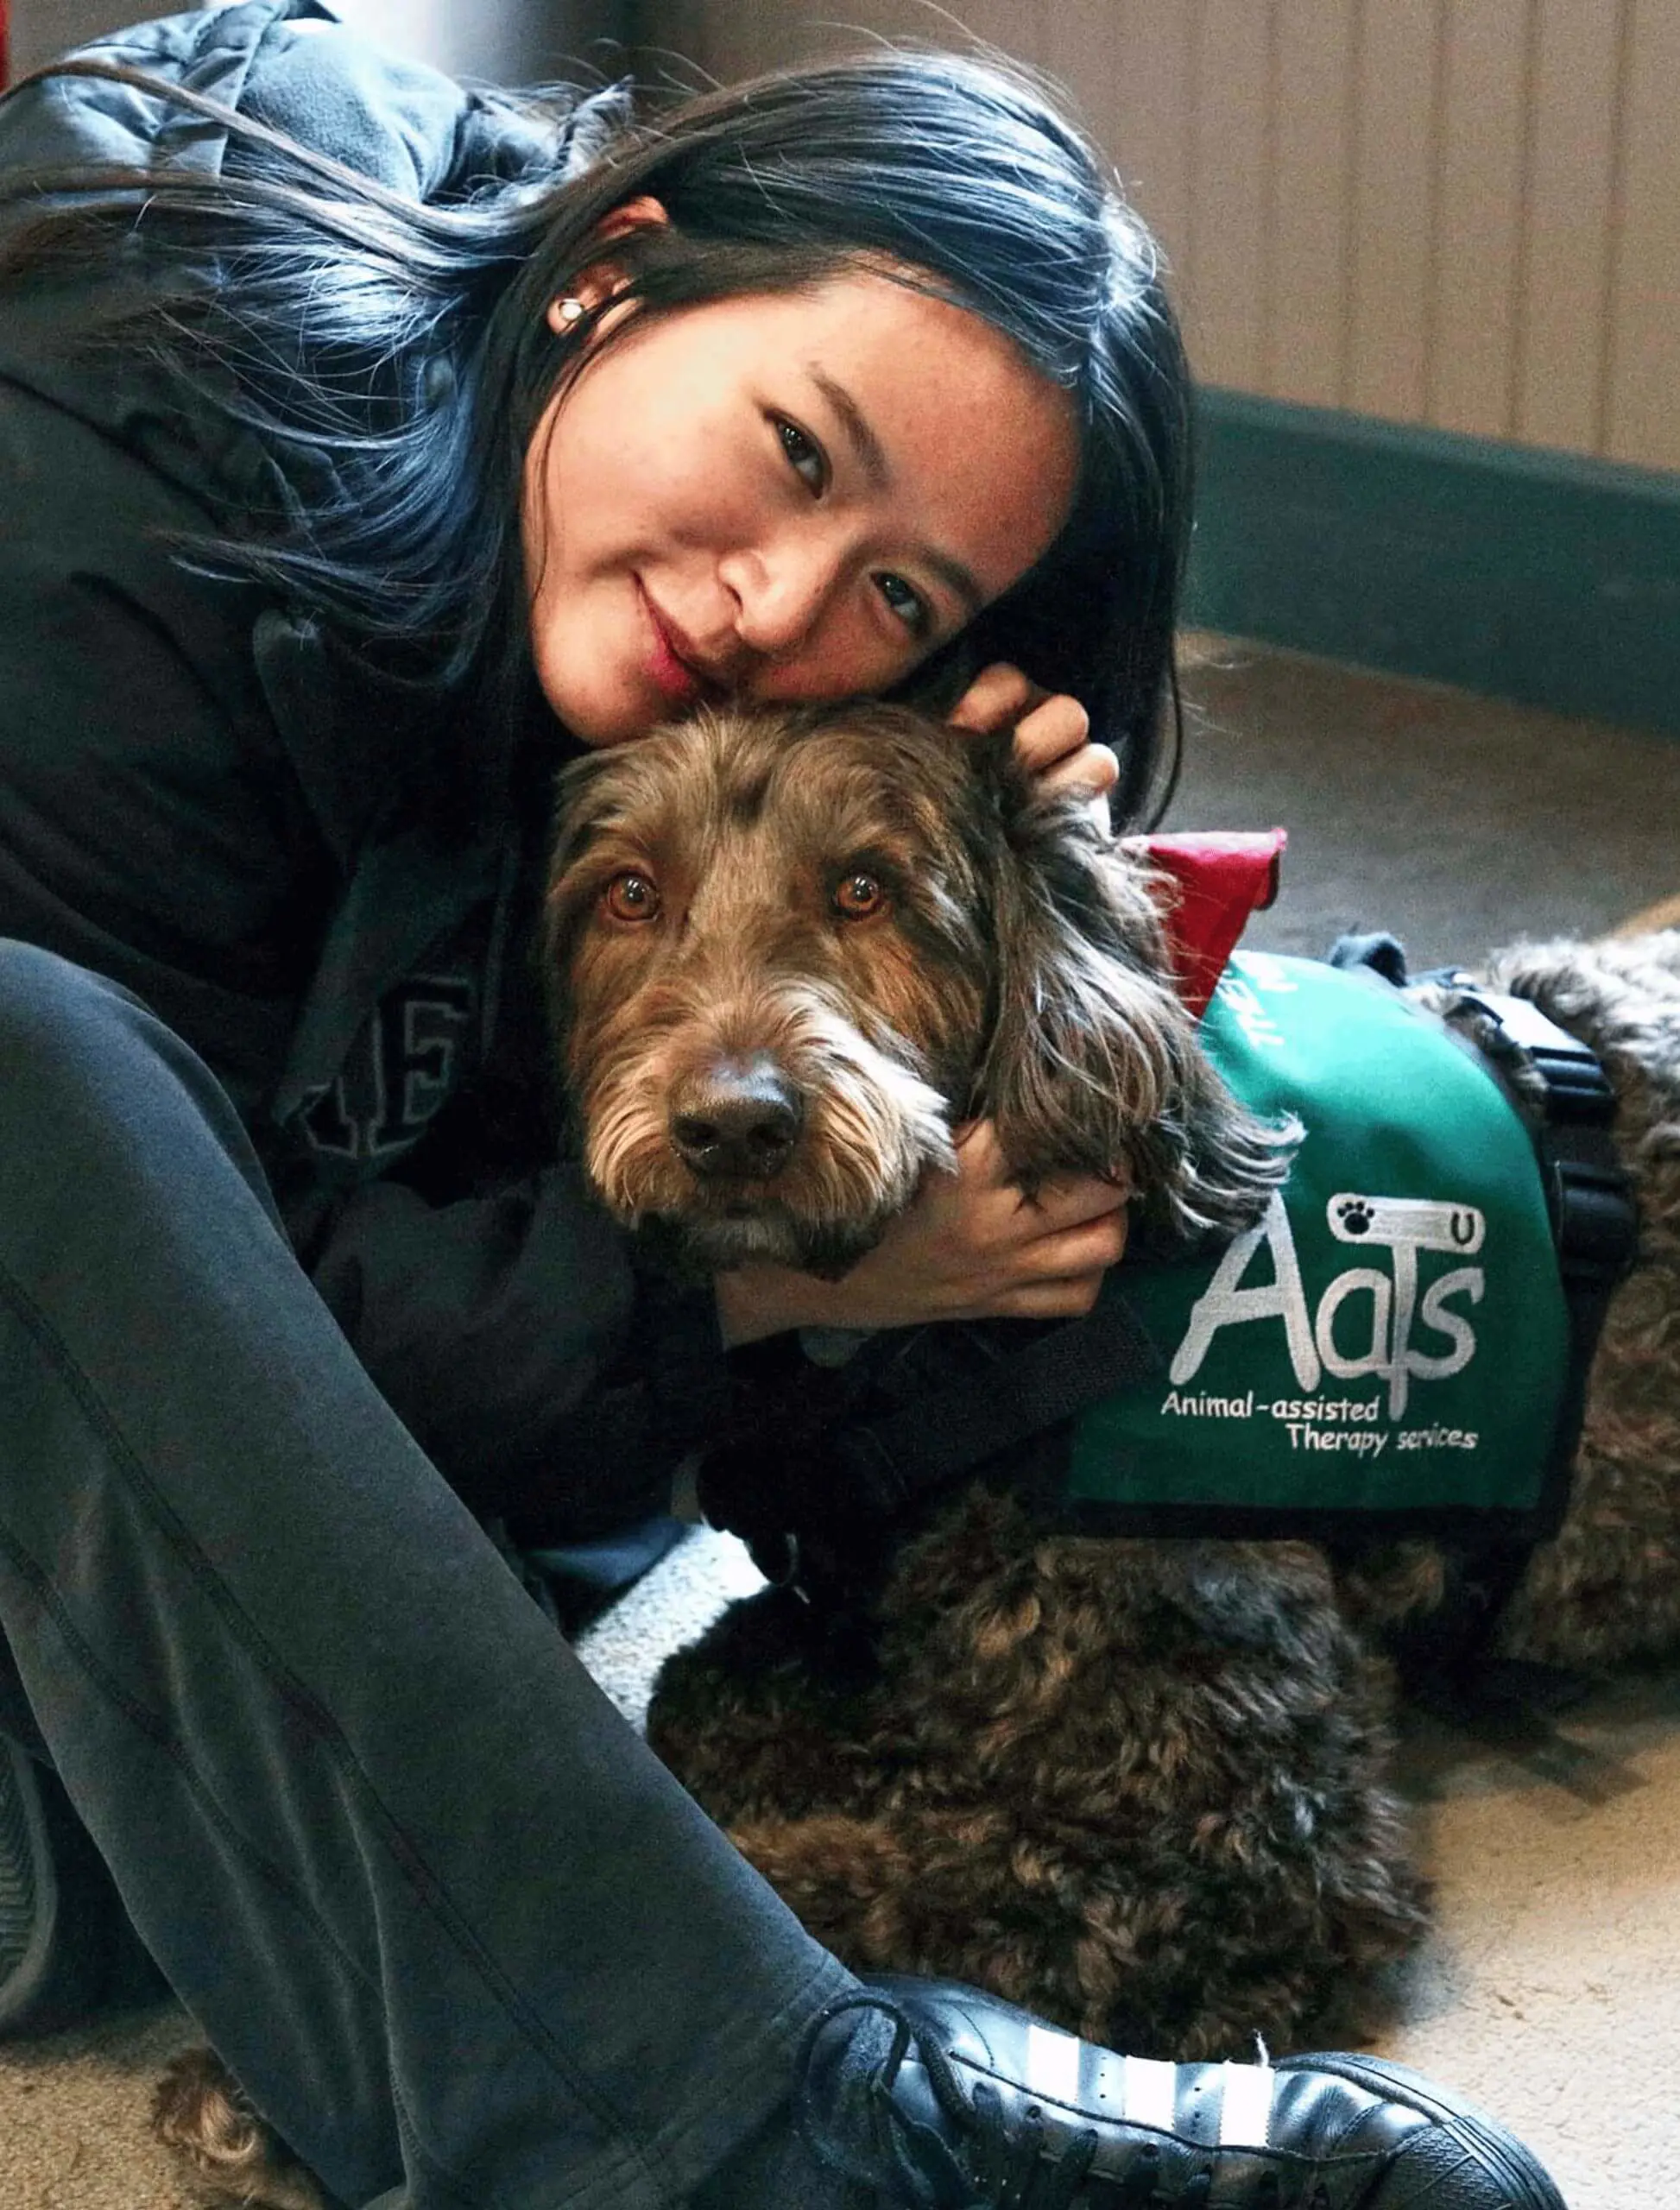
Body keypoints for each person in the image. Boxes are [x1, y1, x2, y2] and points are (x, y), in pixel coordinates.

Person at [0, 6, 1568, 2207]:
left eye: (901, 598)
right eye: (802, 453)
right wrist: (734, 1308)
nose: (775, 611)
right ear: (615, 270)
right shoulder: (88, 496)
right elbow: (200, 1343)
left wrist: (977, 873)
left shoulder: (578, 561)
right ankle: (725, 2119)